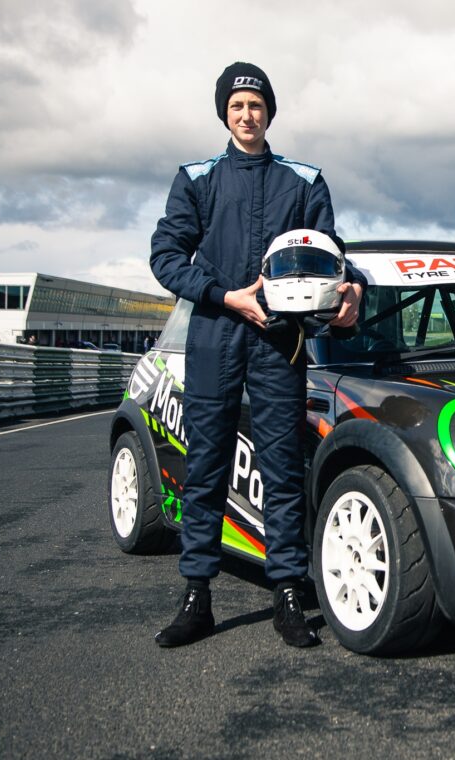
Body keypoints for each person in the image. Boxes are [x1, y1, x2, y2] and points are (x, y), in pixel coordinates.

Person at [148, 62, 364, 648]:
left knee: (282, 471)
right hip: (216, 334)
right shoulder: (196, 177)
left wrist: (354, 289)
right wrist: (224, 296)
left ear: (270, 113)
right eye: (238, 105)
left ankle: (288, 592)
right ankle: (197, 595)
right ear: (225, 112)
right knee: (207, 468)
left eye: (257, 105)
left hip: (280, 342)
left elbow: (332, 254)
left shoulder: (304, 180)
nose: (248, 114)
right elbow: (165, 255)